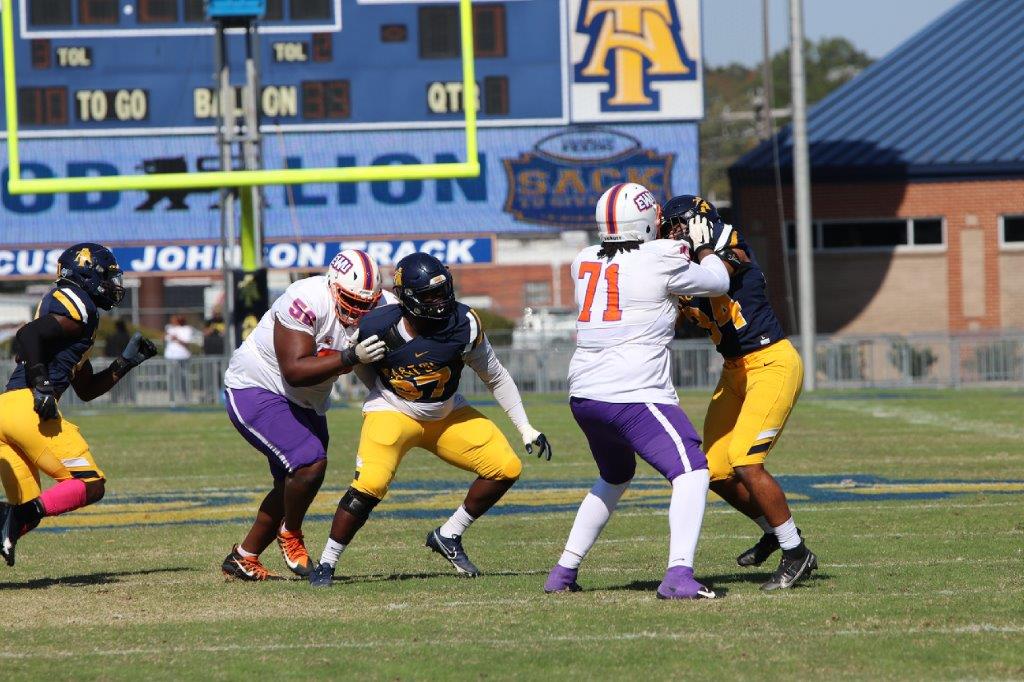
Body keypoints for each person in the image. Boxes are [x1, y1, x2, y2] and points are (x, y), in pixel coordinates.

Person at [308, 252, 552, 587]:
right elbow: (361, 364)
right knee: (370, 485)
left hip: (445, 414)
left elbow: (494, 376)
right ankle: (327, 562)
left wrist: (525, 427)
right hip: (393, 411)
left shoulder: (464, 323)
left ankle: (448, 535)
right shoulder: (378, 326)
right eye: (430, 295)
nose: (440, 301)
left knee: (506, 467)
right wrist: (379, 390)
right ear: (408, 298)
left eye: (442, 291)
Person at [544, 183, 731, 600]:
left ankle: (562, 572)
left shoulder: (582, 259)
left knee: (615, 476)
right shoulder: (662, 257)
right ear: (647, 222)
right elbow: (718, 281)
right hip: (632, 391)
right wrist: (702, 247)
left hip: (585, 394)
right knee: (692, 471)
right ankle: (678, 575)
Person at [667, 195, 818, 591]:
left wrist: (701, 248)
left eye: (676, 226)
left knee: (746, 461)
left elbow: (720, 273)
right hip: (734, 371)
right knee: (713, 469)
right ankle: (774, 530)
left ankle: (796, 552)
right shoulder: (686, 264)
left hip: (770, 363)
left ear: (698, 222)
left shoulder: (729, 245)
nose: (671, 235)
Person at [220, 250, 394, 581]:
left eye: (366, 304)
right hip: (258, 385)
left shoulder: (384, 305)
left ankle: (244, 557)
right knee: (309, 463)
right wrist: (350, 357)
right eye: (351, 301)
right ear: (333, 286)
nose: (358, 312)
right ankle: (291, 532)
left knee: (293, 483)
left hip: (308, 400)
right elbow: (295, 370)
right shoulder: (305, 299)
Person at [0, 243, 157, 567]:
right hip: (28, 407)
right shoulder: (78, 303)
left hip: (8, 410)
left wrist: (125, 363)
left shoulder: (74, 321)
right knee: (90, 484)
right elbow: (28, 335)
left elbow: (86, 389)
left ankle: (10, 520)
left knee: (29, 510)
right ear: (87, 274)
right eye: (107, 276)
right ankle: (9, 517)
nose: (113, 284)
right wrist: (42, 384)